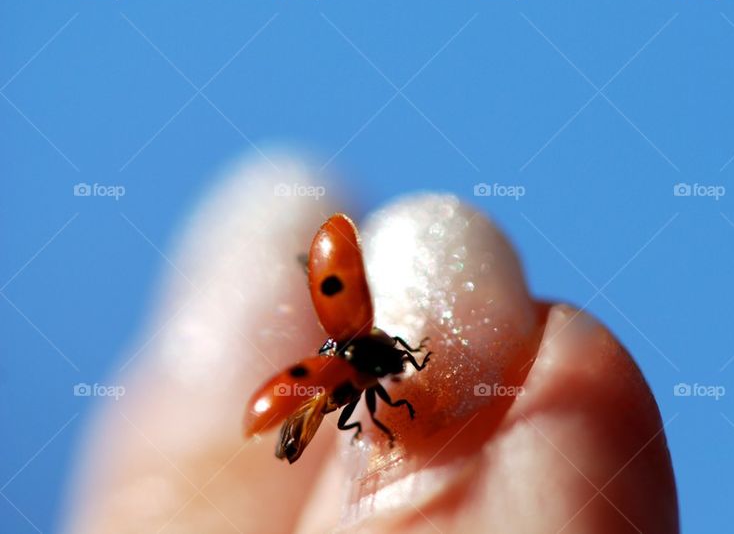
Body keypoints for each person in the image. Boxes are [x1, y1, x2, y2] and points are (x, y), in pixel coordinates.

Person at [65, 155, 678, 533]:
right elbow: (367, 391)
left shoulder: (359, 348)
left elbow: (375, 377)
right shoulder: (355, 360)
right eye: (400, 359)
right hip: (317, 384)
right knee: (342, 416)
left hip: (322, 376)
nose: (403, 365)